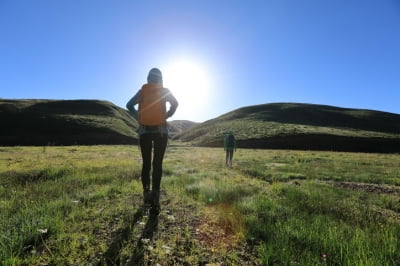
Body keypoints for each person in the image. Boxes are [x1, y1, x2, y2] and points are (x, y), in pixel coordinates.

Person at [126, 68, 178, 215]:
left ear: (148, 78)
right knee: (157, 164)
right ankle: (156, 196)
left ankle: (146, 193)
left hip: (144, 131)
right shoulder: (165, 90)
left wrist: (139, 117)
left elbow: (129, 105)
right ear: (161, 78)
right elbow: (176, 104)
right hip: (161, 131)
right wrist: (166, 116)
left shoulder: (142, 91)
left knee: (146, 163)